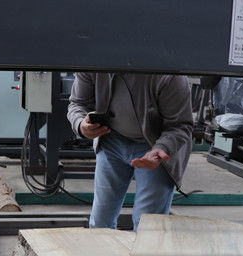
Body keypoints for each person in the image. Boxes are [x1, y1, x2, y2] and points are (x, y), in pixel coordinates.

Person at [68, 73, 193, 229]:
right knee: (100, 221)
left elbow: (180, 124)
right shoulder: (93, 64)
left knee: (147, 226)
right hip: (111, 141)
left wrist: (163, 147)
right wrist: (80, 124)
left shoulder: (169, 74)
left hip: (154, 144)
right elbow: (77, 103)